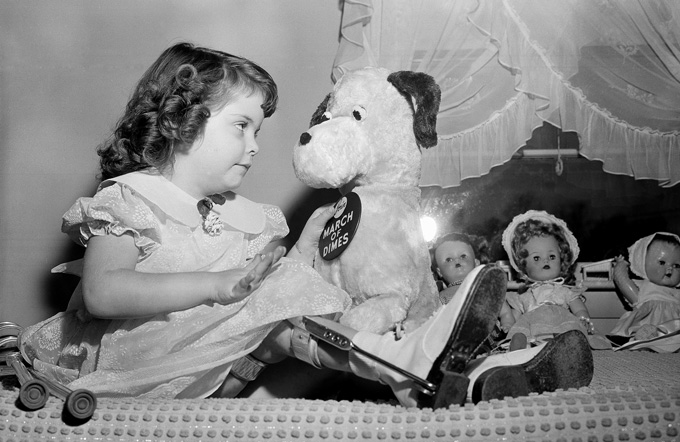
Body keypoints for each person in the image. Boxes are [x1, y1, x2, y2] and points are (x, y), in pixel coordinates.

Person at [18, 43, 591, 408]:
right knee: (275, 312)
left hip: (222, 368)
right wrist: (219, 286)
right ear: (178, 121)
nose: (255, 146)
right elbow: (102, 291)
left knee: (293, 309)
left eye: (259, 130)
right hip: (139, 364)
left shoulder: (236, 218)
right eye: (242, 126)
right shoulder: (129, 199)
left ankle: (451, 368)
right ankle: (412, 362)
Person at [498, 210, 609, 350]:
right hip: (533, 328)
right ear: (523, 265)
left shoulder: (564, 291)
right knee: (521, 332)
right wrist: (509, 325)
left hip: (562, 324)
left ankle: (570, 347)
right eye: (536, 258)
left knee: (573, 331)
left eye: (552, 257)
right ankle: (523, 347)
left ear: (561, 259)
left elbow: (579, 309)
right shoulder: (525, 295)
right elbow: (515, 316)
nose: (545, 260)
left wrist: (583, 319)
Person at [608, 232, 680, 352]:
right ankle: (643, 342)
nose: (669, 268)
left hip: (674, 334)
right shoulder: (644, 289)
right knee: (643, 335)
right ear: (642, 262)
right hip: (647, 332)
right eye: (662, 262)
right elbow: (623, 281)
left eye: (677, 265)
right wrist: (621, 265)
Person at [430, 233, 489, 305]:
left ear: (476, 263)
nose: (457, 261)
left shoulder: (485, 289)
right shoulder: (442, 297)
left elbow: (505, 313)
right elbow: (435, 315)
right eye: (449, 260)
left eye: (463, 256)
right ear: (439, 272)